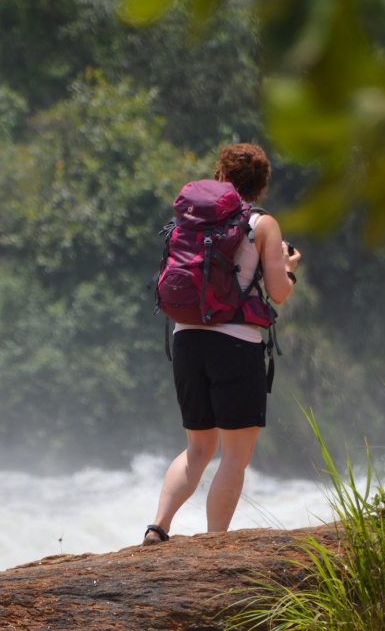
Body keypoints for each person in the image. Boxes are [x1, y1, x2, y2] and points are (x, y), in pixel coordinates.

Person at [143, 142, 301, 545]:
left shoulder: (191, 220)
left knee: (197, 448)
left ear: (219, 175)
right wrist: (287, 267)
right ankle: (215, 545)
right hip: (236, 344)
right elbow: (278, 293)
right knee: (234, 456)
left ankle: (158, 527)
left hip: (187, 340)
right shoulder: (262, 224)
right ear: (261, 184)